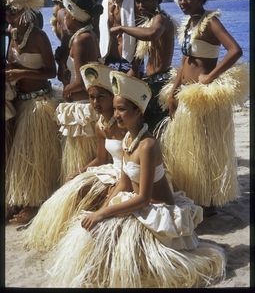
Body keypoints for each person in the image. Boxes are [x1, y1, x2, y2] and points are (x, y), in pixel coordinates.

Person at [47, 71, 225, 288]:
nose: (117, 114)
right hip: (137, 203)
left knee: (113, 233)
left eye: (122, 109)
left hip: (156, 210)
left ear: (138, 111)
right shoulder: (128, 139)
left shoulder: (148, 145)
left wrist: (103, 213)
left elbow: (143, 198)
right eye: (115, 109)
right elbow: (122, 184)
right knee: (98, 230)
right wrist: (101, 210)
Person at [160, 0, 248, 215]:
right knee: (189, 147)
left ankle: (208, 201)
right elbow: (185, 60)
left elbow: (235, 50)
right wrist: (174, 91)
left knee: (205, 148)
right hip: (186, 93)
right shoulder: (189, 23)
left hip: (202, 96)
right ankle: (194, 194)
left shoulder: (211, 22)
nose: (183, 1)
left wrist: (210, 76)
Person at [24, 63, 126, 252]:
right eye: (91, 97)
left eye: (101, 97)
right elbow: (101, 159)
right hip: (111, 171)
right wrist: (79, 172)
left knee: (92, 194)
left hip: (127, 176)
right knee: (75, 188)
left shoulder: (124, 125)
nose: (95, 102)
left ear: (113, 97)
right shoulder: (101, 125)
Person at [5, 0, 61, 224]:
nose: (9, 16)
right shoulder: (12, 35)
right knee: (18, 155)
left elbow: (52, 71)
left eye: (13, 12)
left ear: (26, 11)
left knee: (32, 155)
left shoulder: (38, 37)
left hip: (38, 104)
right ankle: (20, 199)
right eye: (7, 12)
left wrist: (20, 71)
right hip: (18, 103)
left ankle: (33, 203)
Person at [111, 0, 175, 133]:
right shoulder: (147, 24)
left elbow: (152, 34)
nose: (140, 6)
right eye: (138, 1)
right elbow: (137, 62)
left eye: (145, 0)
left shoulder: (161, 19)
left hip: (162, 82)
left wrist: (122, 27)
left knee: (159, 129)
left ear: (157, 0)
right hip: (149, 83)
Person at [55, 0, 103, 183]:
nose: (63, 16)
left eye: (66, 13)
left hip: (83, 107)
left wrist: (67, 89)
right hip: (85, 105)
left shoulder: (81, 40)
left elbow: (84, 81)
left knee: (80, 163)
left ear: (73, 17)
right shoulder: (86, 34)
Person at [98, 0, 136, 73]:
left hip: (128, 61)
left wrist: (135, 67)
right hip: (107, 60)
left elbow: (142, 37)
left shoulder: (133, 1)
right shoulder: (105, 2)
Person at [46, 0, 81, 85]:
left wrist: (62, 64)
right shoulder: (66, 13)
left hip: (69, 57)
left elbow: (67, 40)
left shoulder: (62, 13)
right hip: (73, 56)